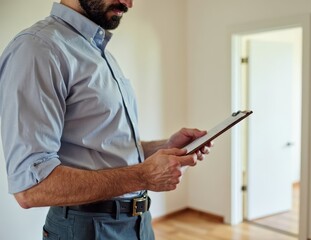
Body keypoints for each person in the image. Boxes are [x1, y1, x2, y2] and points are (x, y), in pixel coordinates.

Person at [0, 0, 212, 239]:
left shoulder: (100, 52)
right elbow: (31, 189)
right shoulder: (37, 48)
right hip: (88, 229)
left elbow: (105, 149)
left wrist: (164, 147)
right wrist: (143, 175)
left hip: (139, 222)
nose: (129, 3)